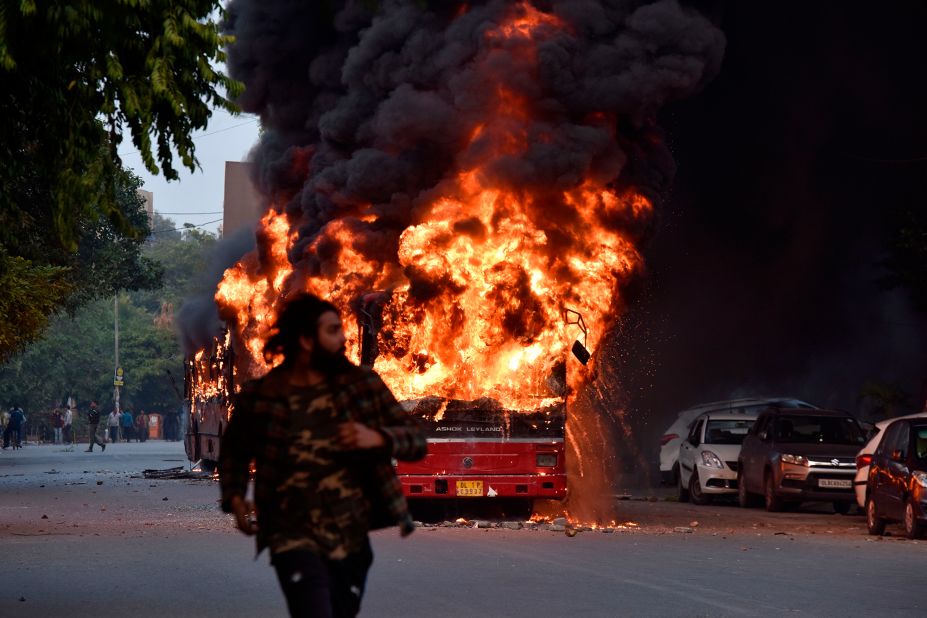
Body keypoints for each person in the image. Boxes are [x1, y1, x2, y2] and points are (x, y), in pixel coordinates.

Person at [219, 293, 426, 618]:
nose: (343, 338)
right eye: (332, 330)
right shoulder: (264, 396)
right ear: (304, 340)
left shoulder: (362, 386)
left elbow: (415, 440)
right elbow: (234, 450)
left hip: (350, 534)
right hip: (290, 534)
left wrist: (377, 437)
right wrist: (234, 496)